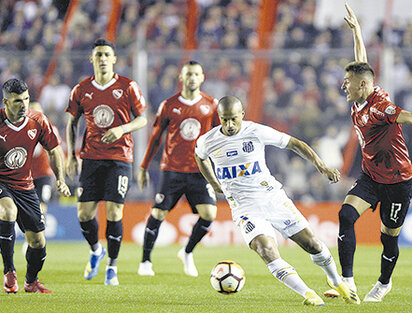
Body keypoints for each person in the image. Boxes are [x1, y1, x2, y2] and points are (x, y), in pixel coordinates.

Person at [324, 4, 412, 302]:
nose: (343, 85)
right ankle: (347, 282)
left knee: (389, 237)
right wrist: (357, 31)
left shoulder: (379, 107)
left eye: (347, 82)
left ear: (362, 86)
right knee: (346, 215)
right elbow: (361, 64)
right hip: (371, 175)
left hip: (398, 181)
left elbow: (410, 116)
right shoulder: (361, 93)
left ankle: (384, 283)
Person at [195, 96, 360, 306]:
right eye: (224, 119)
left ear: (242, 115)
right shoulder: (207, 140)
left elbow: (295, 144)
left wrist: (322, 166)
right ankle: (308, 294)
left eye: (233, 119)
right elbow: (199, 156)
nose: (228, 125)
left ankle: (336, 281)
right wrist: (214, 182)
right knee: (265, 249)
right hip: (244, 208)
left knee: (312, 244)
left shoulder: (255, 131)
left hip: (272, 198)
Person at [66, 39, 147, 286]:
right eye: (98, 54)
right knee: (84, 213)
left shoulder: (127, 86)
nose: (102, 58)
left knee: (114, 211)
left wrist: (122, 129)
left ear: (114, 60)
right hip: (90, 157)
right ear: (92, 59)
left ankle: (112, 266)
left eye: (107, 55)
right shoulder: (81, 89)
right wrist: (71, 155)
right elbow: (72, 122)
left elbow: (142, 119)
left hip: (120, 157)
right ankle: (95, 250)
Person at [137, 60, 218, 277]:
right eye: (188, 74)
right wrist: (144, 167)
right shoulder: (169, 105)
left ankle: (187, 252)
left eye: (196, 74)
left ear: (202, 77)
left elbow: (220, 138)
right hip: (172, 170)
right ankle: (145, 261)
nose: (192, 78)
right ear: (181, 78)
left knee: (209, 214)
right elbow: (155, 139)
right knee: (158, 212)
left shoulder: (212, 105)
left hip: (200, 170)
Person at [0, 78, 71, 294]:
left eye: (26, 99)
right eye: (17, 101)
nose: (23, 105)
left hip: (25, 184)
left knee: (38, 242)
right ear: (6, 102)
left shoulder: (37, 120)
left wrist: (60, 179)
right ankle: (9, 272)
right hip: (2, 182)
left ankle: (31, 282)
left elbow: (54, 149)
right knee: (7, 211)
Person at [21, 102, 60, 255]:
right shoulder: (22, 129)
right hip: (27, 175)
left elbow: (53, 151)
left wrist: (59, 176)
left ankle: (33, 239)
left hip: (44, 174)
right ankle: (32, 237)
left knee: (40, 206)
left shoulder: (49, 128)